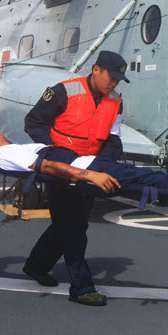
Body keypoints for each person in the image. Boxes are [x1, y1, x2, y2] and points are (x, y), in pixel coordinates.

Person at [21, 50, 129, 307]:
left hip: (91, 170)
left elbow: (113, 138)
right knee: (74, 228)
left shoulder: (116, 101)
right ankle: (81, 287)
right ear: (96, 70)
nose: (113, 84)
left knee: (69, 223)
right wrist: (53, 153)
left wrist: (104, 165)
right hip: (62, 169)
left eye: (118, 80)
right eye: (111, 77)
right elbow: (34, 122)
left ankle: (36, 265)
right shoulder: (63, 92)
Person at [0, 131, 168, 198]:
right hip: (91, 168)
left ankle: (37, 265)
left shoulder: (8, 150)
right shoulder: (6, 153)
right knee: (157, 181)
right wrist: (91, 175)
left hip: (91, 164)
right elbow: (48, 167)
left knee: (155, 180)